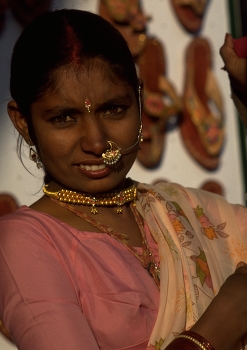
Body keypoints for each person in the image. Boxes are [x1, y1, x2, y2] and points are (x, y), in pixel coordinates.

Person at [0, 9, 247, 350]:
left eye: (114, 109)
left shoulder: (183, 209)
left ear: (140, 100)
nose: (97, 142)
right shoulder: (25, 242)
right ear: (24, 123)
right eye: (64, 118)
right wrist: (217, 327)